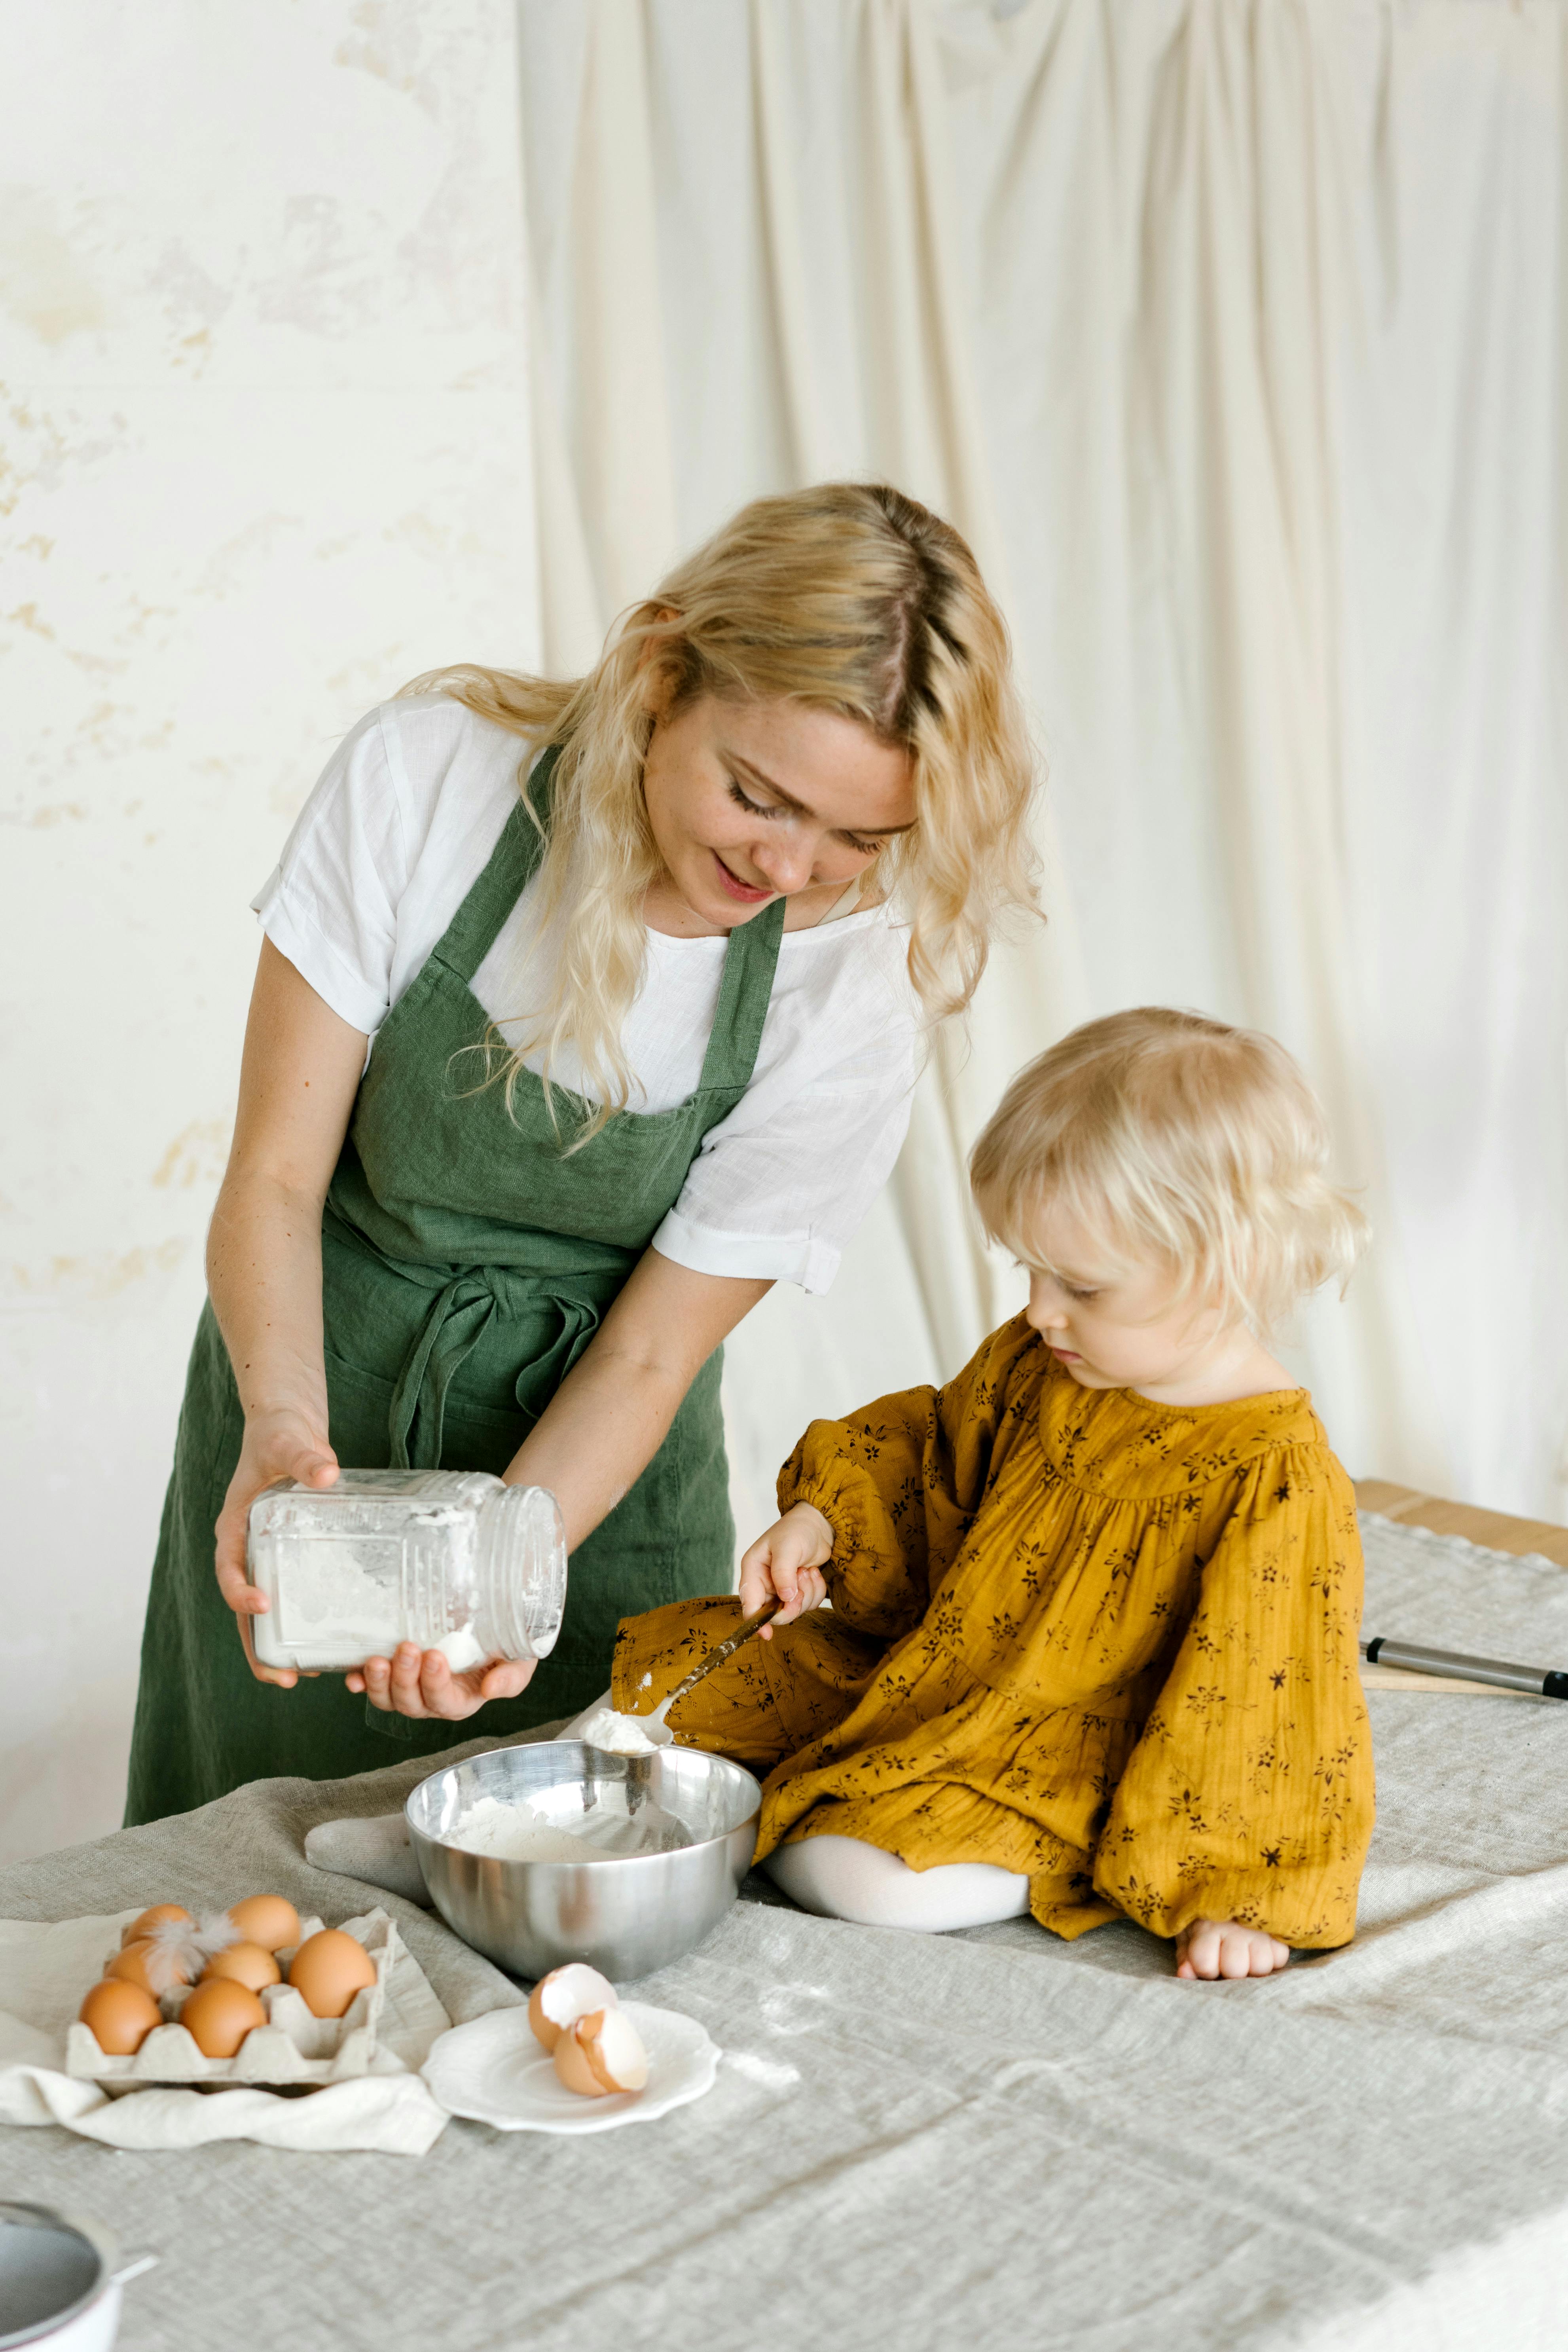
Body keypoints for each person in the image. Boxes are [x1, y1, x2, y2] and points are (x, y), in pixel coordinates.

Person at [124, 482, 1039, 1824]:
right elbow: (273, 1176)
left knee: (565, 1893)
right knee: (243, 1901)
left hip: (598, 1489)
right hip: (311, 1411)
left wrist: (505, 1570)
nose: (789, 867)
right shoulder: (428, 781)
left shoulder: (853, 988)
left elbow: (650, 1351)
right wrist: (281, 1431)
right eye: (756, 795)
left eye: (858, 840)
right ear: (661, 670)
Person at [604, 1008, 1376, 1980]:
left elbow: (1274, 1708)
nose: (1040, 1309)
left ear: (1228, 1266)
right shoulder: (1047, 1361)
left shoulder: (1274, 1477)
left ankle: (793, 1817)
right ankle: (667, 1802)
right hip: (930, 1671)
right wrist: (821, 1518)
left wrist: (1240, 1892)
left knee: (874, 1880)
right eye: (1031, 1270)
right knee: (662, 1690)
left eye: (1082, 1288)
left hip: (1064, 1749)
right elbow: (930, 1448)